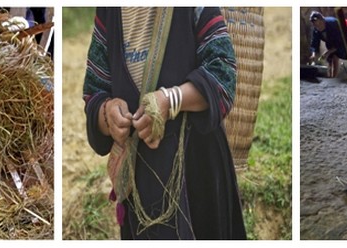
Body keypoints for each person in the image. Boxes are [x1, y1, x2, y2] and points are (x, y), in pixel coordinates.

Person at [82, 7, 246, 239]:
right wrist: (108, 114)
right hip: (139, 181)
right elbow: (94, 92)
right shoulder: (109, 11)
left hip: (197, 175)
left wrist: (170, 101)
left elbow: (223, 74)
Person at [308, 11, 347, 78]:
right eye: (316, 25)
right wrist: (313, 54)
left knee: (335, 56)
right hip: (330, 42)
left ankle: (334, 77)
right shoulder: (317, 29)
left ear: (323, 20)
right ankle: (329, 77)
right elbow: (314, 42)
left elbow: (339, 42)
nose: (318, 27)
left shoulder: (333, 24)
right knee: (329, 59)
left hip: (342, 41)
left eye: (320, 24)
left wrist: (328, 52)